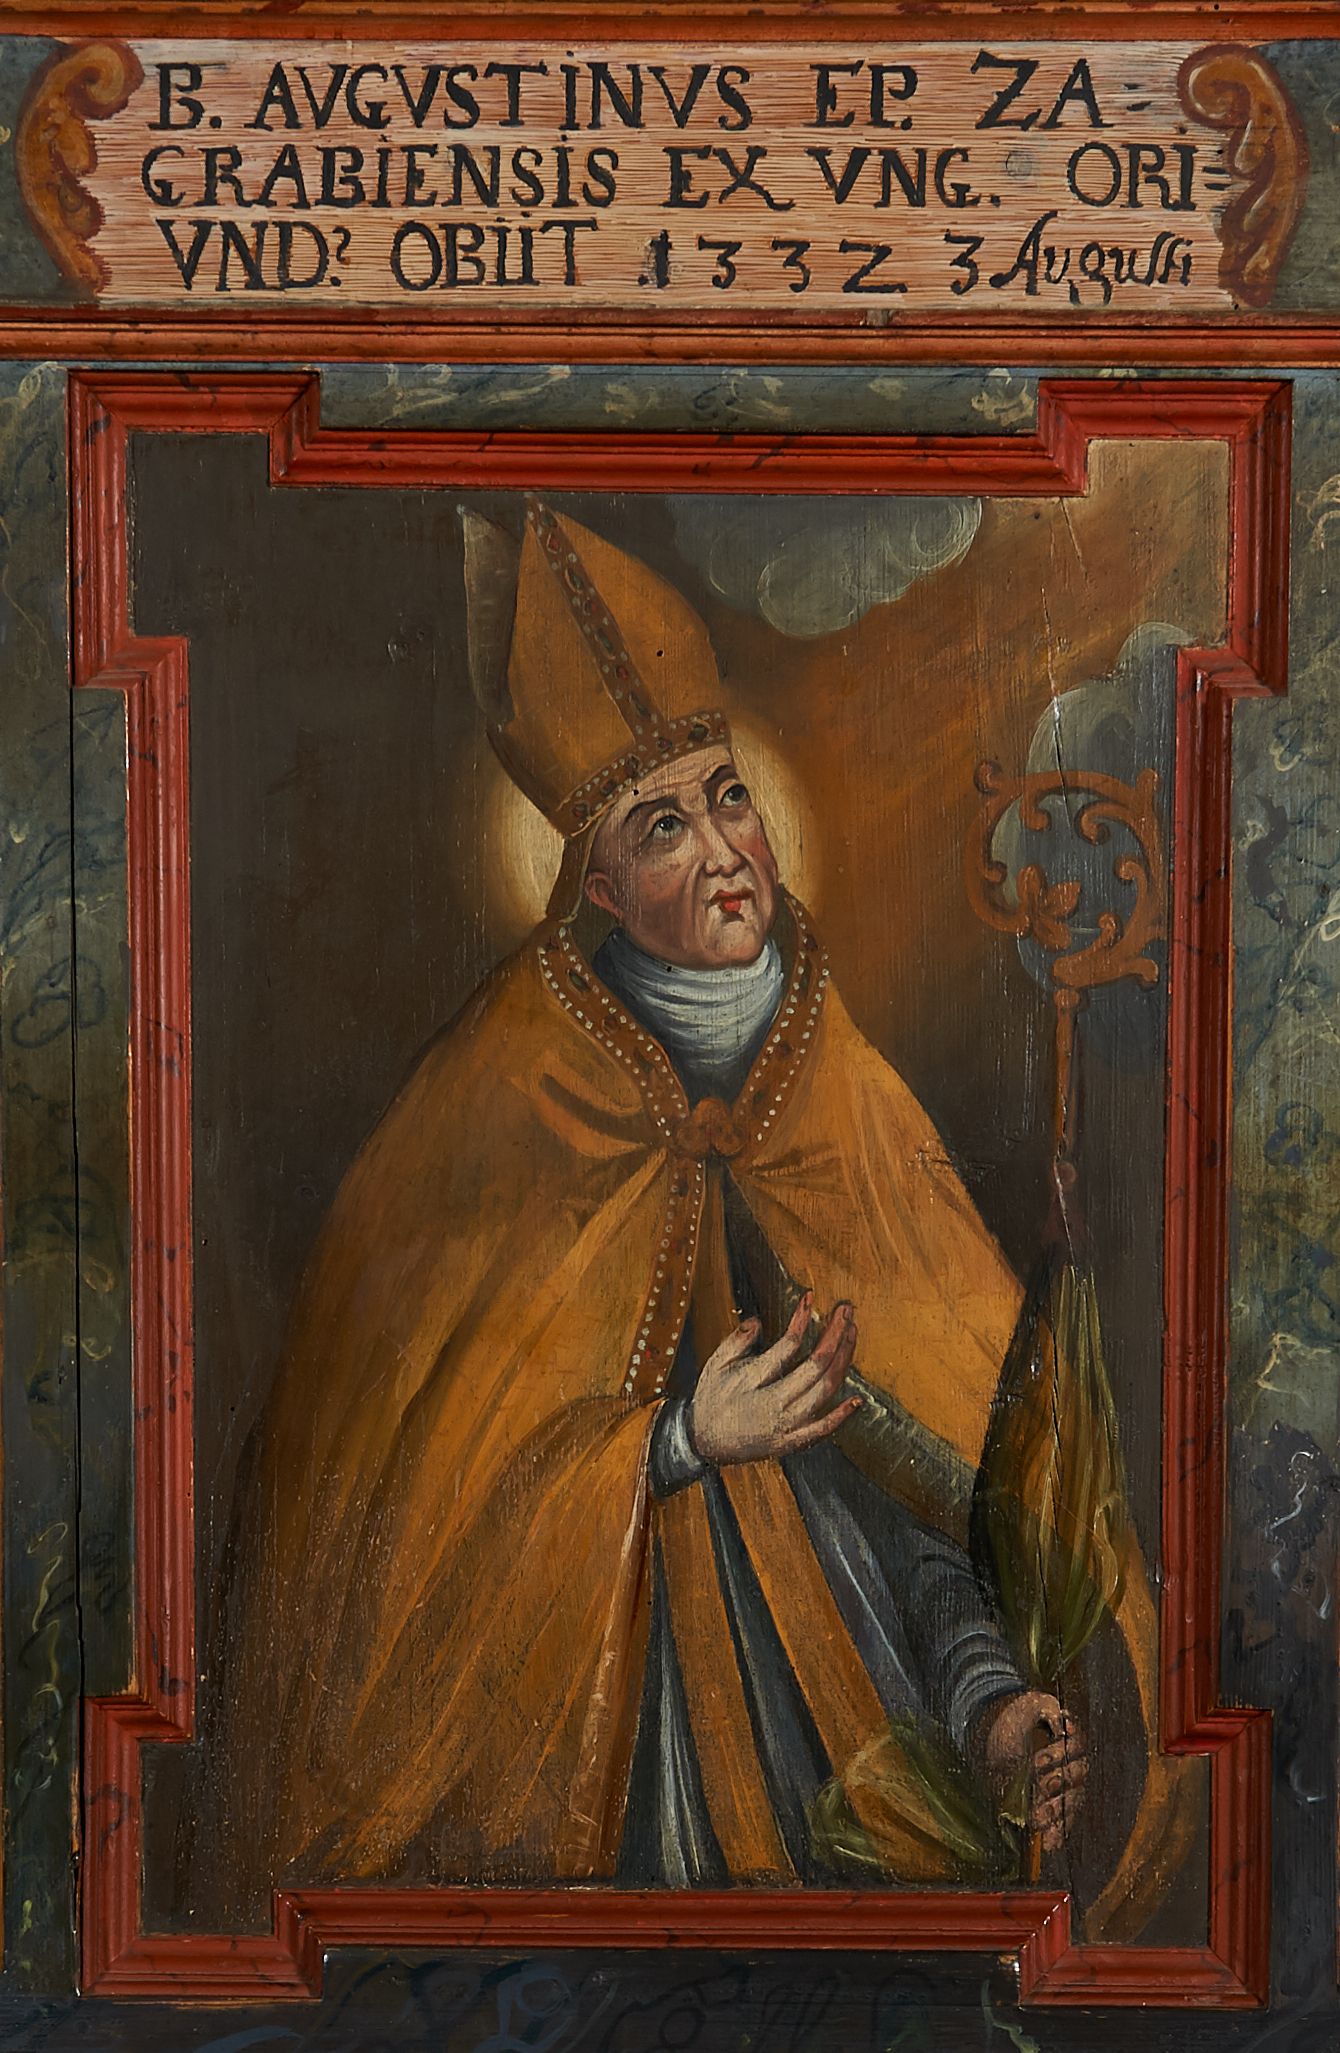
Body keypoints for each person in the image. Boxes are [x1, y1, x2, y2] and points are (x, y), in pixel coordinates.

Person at [208, 501, 1086, 1906]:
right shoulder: (505, 1103)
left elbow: (916, 1492)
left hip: (856, 1752)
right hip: (596, 1777)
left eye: (728, 797)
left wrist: (989, 1702)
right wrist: (678, 1442)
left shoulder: (837, 1088)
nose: (725, 850)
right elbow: (424, 1547)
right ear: (600, 885)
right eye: (664, 826)